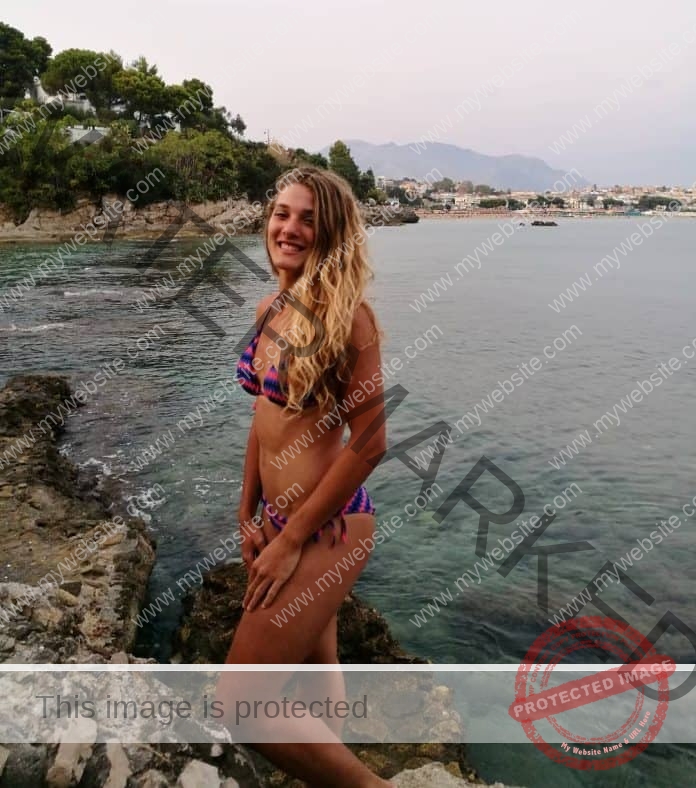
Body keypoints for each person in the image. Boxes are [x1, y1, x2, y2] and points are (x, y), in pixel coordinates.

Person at [217, 167, 395, 787]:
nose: (288, 228)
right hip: (277, 519)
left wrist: (292, 538)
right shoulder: (270, 307)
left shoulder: (352, 320)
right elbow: (263, 419)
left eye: (307, 219)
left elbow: (371, 443)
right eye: (280, 213)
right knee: (322, 660)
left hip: (327, 526)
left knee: (238, 706)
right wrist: (248, 513)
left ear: (333, 234)